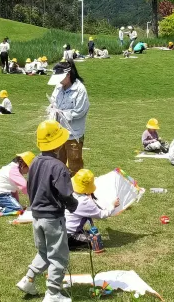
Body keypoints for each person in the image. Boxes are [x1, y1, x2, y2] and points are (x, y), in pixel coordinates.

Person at [17, 120, 79, 301]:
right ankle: (53, 293)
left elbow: (30, 186)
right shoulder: (59, 167)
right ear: (58, 144)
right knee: (58, 256)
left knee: (43, 252)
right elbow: (65, 193)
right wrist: (73, 205)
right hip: (53, 218)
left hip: (37, 215)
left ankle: (28, 279)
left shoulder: (35, 162)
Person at [48, 61, 90, 173]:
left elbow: (80, 110)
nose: (59, 82)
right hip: (58, 132)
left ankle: (76, 183)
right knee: (57, 163)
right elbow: (53, 101)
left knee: (74, 164)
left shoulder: (80, 89)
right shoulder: (58, 87)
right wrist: (52, 109)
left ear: (68, 75)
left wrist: (63, 113)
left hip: (73, 134)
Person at [65, 169, 119, 249]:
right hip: (69, 236)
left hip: (60, 231)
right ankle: (71, 245)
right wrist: (112, 206)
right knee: (95, 240)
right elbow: (101, 214)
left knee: (90, 234)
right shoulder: (84, 201)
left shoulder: (68, 193)